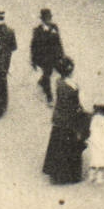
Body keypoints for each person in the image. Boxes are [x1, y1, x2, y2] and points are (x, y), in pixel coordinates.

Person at [42, 57, 88, 185]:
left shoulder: (59, 82)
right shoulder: (71, 87)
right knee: (70, 146)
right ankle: (69, 175)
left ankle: (55, 172)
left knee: (58, 145)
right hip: (69, 120)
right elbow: (75, 104)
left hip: (59, 118)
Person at [30, 9, 65, 105]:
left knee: (62, 71)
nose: (49, 20)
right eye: (46, 19)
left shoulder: (54, 28)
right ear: (42, 19)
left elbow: (58, 42)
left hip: (55, 56)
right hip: (43, 58)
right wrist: (33, 61)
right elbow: (33, 46)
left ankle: (44, 83)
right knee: (47, 75)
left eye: (50, 18)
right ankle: (49, 97)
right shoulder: (37, 31)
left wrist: (62, 55)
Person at [87, 105, 104, 184]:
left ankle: (91, 176)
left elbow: (91, 129)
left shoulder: (93, 119)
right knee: (102, 159)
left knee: (94, 158)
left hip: (93, 140)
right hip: (101, 141)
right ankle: (99, 177)